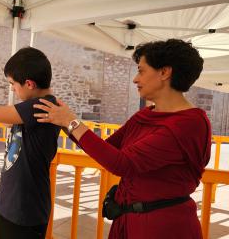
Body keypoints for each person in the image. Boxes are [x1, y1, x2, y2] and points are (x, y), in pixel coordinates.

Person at [33, 39, 211, 238]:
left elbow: (123, 163)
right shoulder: (146, 115)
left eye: (141, 71)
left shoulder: (189, 124)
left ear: (164, 72)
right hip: (129, 219)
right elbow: (107, 148)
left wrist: (71, 122)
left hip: (161, 226)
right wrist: (63, 121)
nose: (135, 79)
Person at [0, 47, 61, 239]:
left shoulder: (41, 106)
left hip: (23, 212)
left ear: (29, 84)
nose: (12, 89)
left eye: (13, 84)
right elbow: (7, 118)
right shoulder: (34, 106)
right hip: (9, 204)